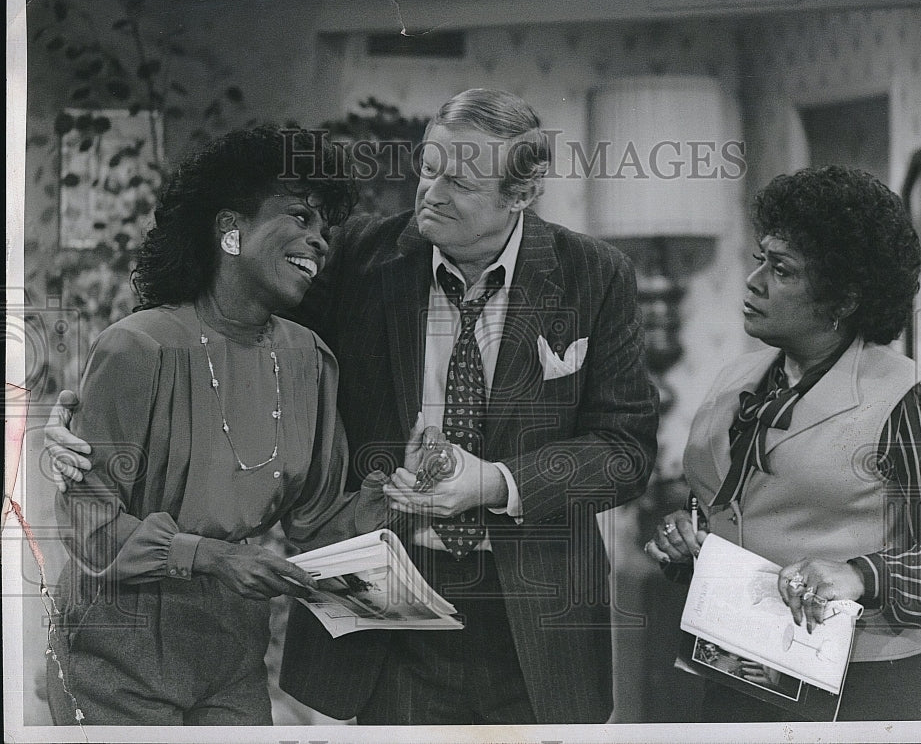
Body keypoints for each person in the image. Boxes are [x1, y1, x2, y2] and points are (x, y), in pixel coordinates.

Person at [47, 89, 660, 725]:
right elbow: (216, 322)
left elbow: (626, 451)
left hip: (535, 622)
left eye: (461, 181)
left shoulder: (595, 274)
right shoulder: (359, 257)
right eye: (429, 166)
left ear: (522, 194)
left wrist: (496, 482)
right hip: (385, 620)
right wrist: (80, 413)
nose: (431, 192)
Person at [42, 126, 389, 726]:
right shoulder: (138, 348)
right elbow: (87, 523)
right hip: (115, 649)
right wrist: (213, 558)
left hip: (233, 646)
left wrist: (394, 494)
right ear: (230, 229)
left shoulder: (310, 358)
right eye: (301, 216)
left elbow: (318, 518)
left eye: (325, 229)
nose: (320, 242)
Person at [645, 165, 921, 721]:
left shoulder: (906, 399)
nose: (754, 282)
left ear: (843, 299)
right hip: (730, 668)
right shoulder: (736, 381)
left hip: (854, 687)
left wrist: (859, 574)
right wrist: (686, 536)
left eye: (781, 270)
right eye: (761, 260)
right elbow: (721, 506)